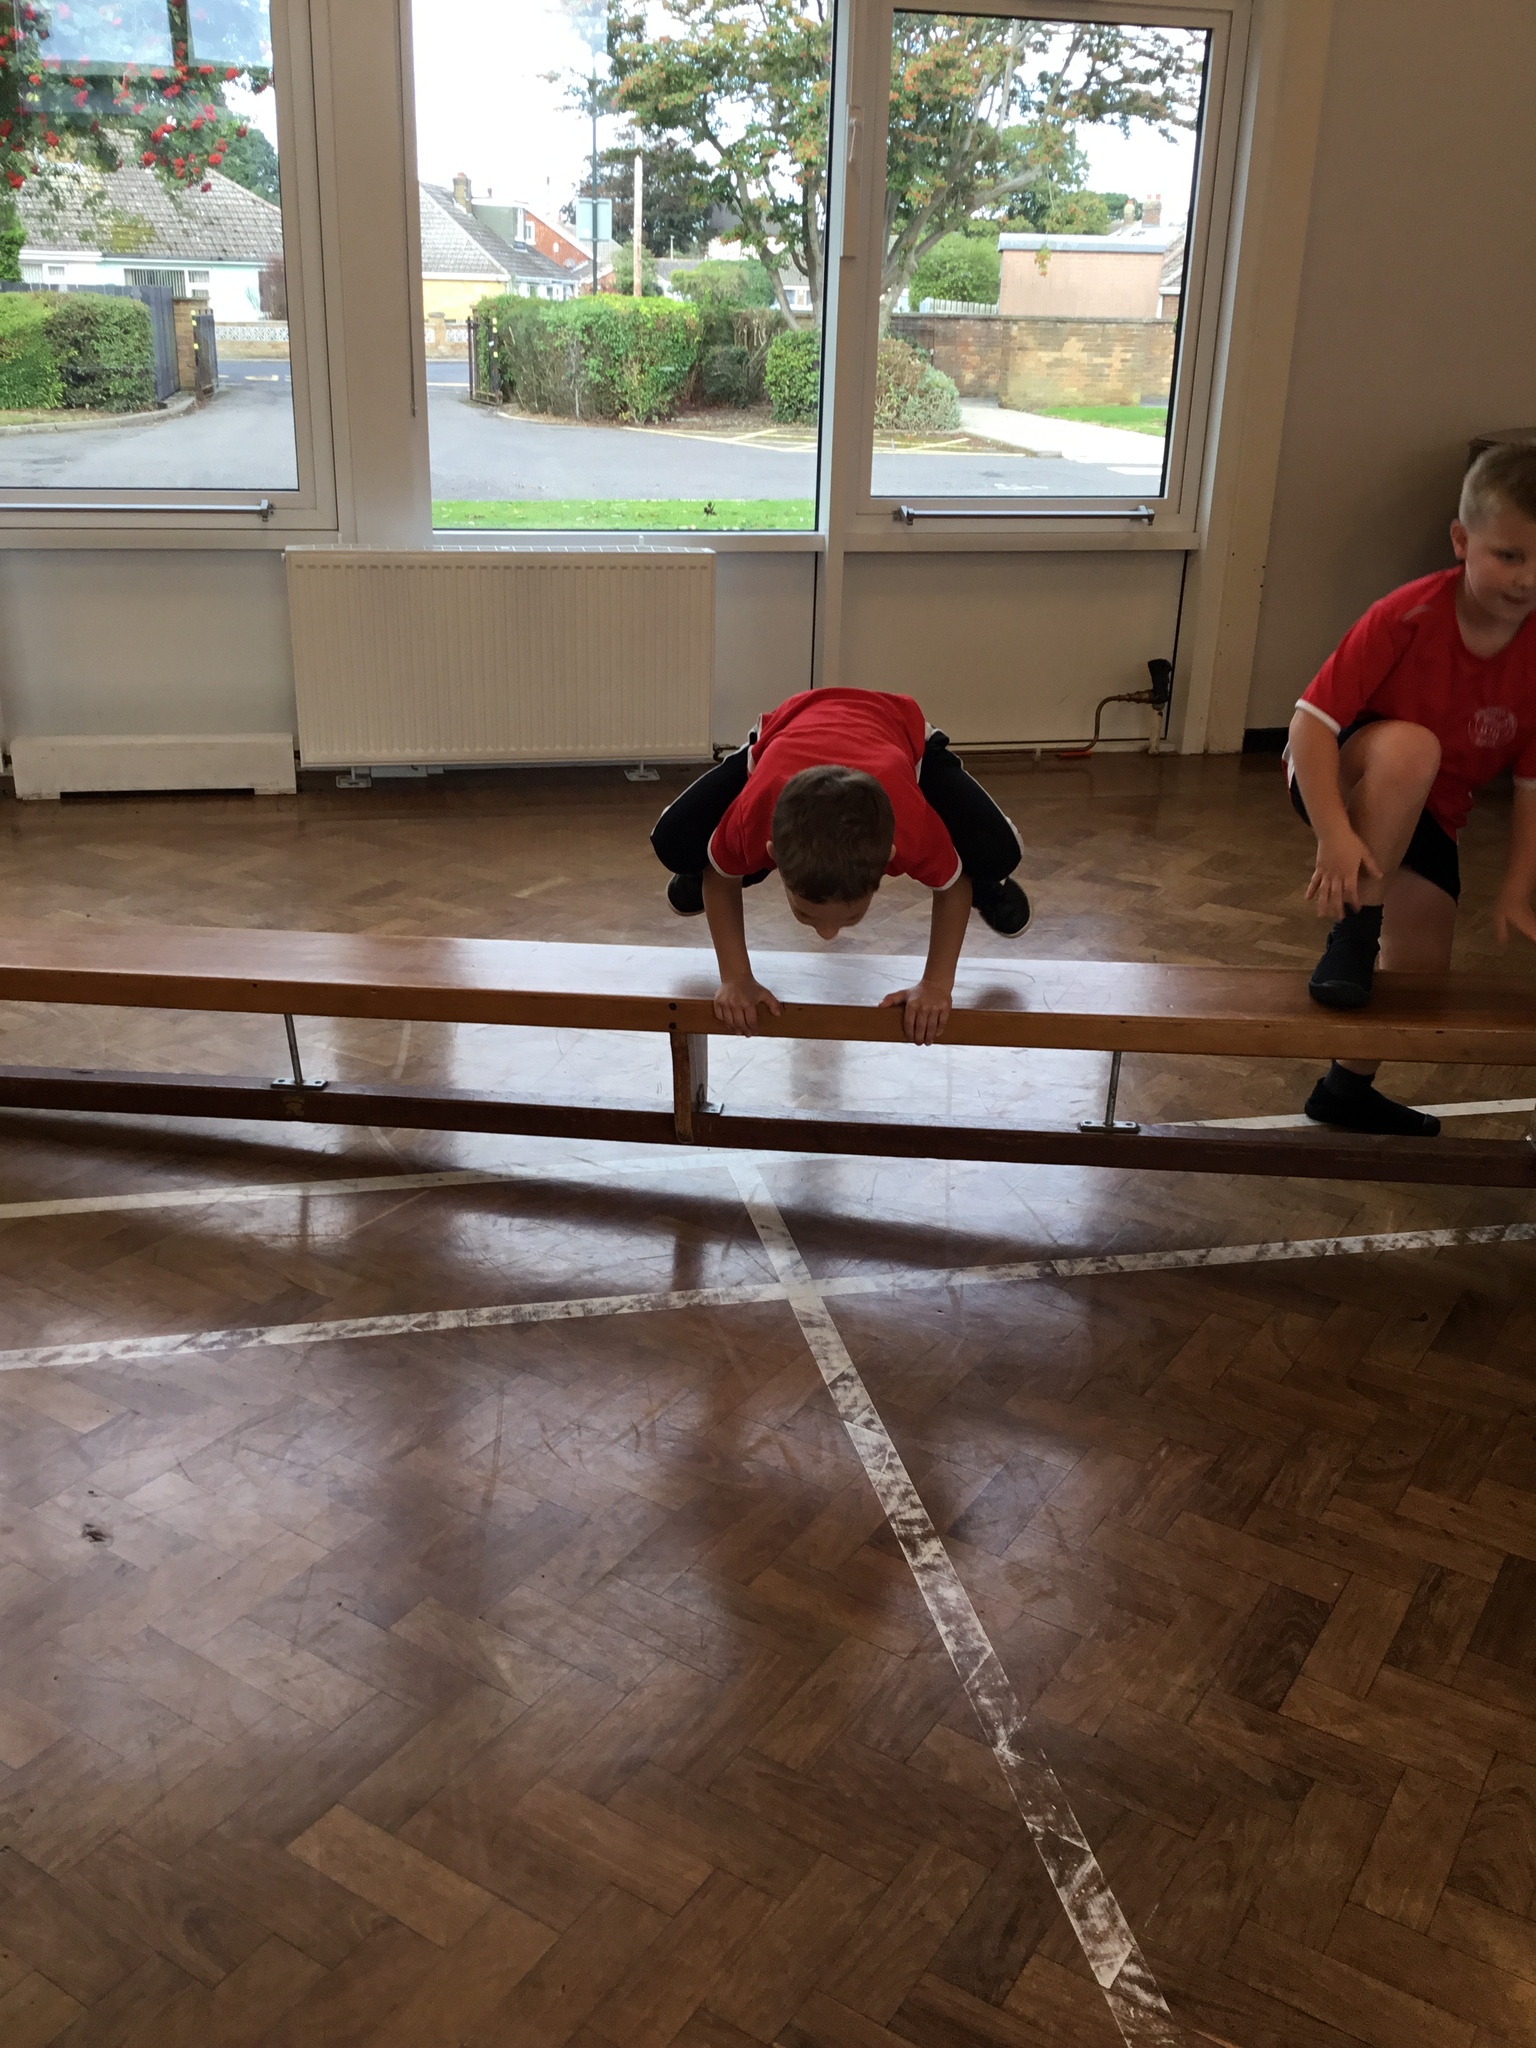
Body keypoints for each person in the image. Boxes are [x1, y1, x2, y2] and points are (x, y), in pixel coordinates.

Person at [1286, 440, 1536, 1136]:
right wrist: (1335, 835)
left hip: (1432, 807)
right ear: (1461, 542)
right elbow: (1309, 725)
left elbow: (1531, 786)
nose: (1527, 579)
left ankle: (1344, 1091)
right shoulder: (1407, 613)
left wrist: (1517, 889)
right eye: (1509, 555)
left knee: (1420, 972)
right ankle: (1353, 931)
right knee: (1412, 747)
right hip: (1340, 768)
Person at [651, 687, 1029, 1043]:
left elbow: (951, 888)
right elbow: (721, 880)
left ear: (888, 858)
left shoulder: (908, 825)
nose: (827, 934)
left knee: (999, 855)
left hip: (894, 730)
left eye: (851, 917)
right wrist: (735, 978)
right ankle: (701, 868)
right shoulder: (755, 812)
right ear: (773, 853)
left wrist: (935, 985)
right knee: (675, 843)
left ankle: (985, 885)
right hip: (789, 733)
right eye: (805, 914)